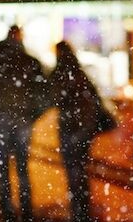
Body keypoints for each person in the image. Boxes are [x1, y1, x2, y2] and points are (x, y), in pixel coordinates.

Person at [0, 25, 48, 222]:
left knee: (2, 168)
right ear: (20, 38)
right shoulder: (30, 62)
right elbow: (45, 93)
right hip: (22, 121)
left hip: (1, 120)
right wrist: (32, 115)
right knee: (22, 167)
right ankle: (26, 210)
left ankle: (7, 212)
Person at [49, 41, 115, 222]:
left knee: (73, 170)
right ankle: (83, 208)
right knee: (80, 169)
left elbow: (53, 97)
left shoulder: (60, 73)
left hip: (70, 127)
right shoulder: (79, 72)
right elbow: (93, 98)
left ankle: (78, 210)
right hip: (85, 127)